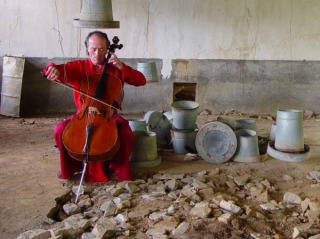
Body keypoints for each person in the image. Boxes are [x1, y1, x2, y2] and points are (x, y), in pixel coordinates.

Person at [43, 31, 146, 182]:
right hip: (83, 114)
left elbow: (141, 80)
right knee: (59, 130)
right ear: (87, 49)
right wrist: (51, 69)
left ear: (107, 50)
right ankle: (73, 166)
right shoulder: (78, 67)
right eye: (93, 49)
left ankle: (117, 167)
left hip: (109, 114)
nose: (97, 53)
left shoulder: (115, 67)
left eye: (101, 49)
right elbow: (53, 69)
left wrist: (122, 66)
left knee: (126, 133)